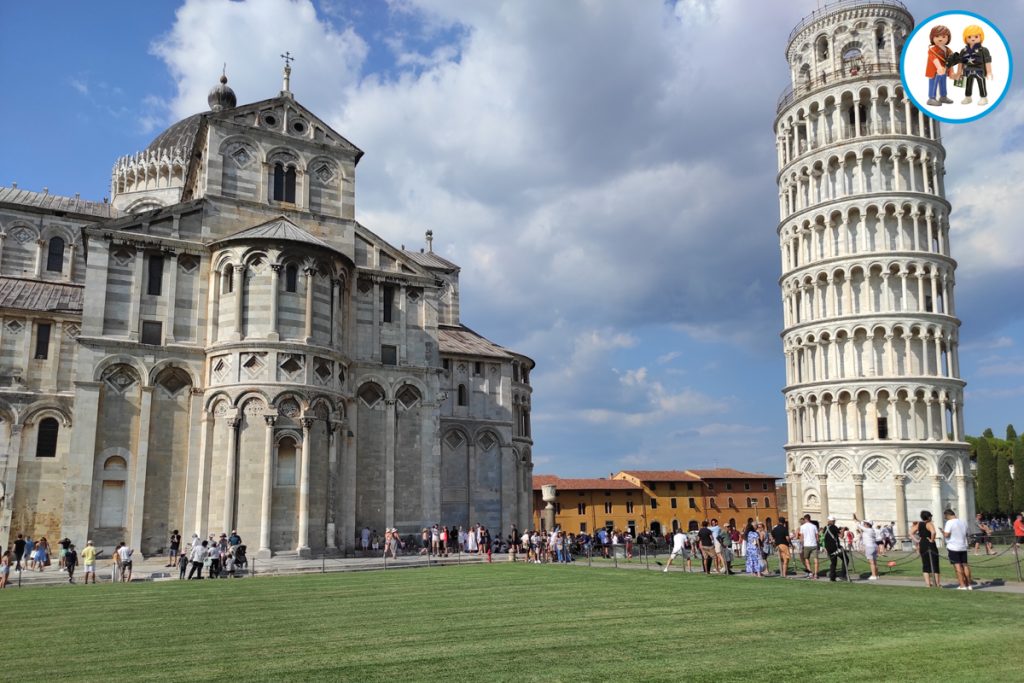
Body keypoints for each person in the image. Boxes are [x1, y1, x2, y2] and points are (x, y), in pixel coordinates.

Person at [949, 24, 993, 106]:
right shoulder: (964, 50)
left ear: (981, 37)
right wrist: (958, 73)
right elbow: (960, 62)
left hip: (979, 70)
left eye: (976, 36)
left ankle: (983, 97)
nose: (972, 39)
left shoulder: (983, 50)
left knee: (981, 83)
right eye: (969, 37)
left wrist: (989, 72)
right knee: (968, 84)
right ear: (965, 38)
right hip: (967, 70)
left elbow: (987, 61)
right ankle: (968, 97)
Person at [943, 509, 973, 590]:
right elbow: (967, 533)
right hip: (963, 546)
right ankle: (969, 584)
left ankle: (962, 585)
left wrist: (943, 532)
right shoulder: (963, 521)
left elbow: (946, 534)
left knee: (957, 567)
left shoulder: (949, 522)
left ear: (947, 515)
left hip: (953, 547)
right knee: (965, 565)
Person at [925, 24, 953, 106]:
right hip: (934, 71)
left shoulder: (948, 50)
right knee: (933, 83)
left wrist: (951, 71)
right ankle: (931, 98)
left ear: (948, 38)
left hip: (944, 70)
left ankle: (943, 96)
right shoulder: (933, 49)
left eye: (944, 36)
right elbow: (933, 58)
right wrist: (939, 67)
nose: (940, 39)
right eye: (937, 36)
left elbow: (951, 60)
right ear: (932, 38)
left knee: (943, 83)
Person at [912, 511, 941, 588]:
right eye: (930, 516)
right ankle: (937, 584)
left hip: (922, 543)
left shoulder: (919, 524)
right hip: (929, 544)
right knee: (935, 564)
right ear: (928, 517)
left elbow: (911, 533)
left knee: (925, 564)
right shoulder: (929, 524)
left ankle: (928, 584)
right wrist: (932, 539)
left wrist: (917, 540)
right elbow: (933, 532)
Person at [853, 515, 880, 581]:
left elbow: (859, 525)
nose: (864, 524)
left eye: (865, 523)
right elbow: (861, 524)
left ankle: (873, 575)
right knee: (874, 562)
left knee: (871, 562)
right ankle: (876, 575)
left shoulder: (868, 530)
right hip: (874, 546)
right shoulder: (871, 530)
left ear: (868, 524)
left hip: (869, 547)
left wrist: (855, 520)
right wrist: (857, 519)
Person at [822, 516, 846, 582]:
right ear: (832, 521)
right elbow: (841, 536)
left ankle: (832, 577)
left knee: (833, 562)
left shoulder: (825, 528)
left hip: (828, 548)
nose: (834, 522)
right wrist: (843, 530)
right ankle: (843, 575)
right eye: (834, 521)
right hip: (836, 548)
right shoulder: (834, 527)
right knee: (845, 559)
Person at [798, 515, 819, 579]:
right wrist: (817, 543)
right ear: (810, 519)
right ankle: (816, 574)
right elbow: (817, 536)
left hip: (806, 544)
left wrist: (801, 545)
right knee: (816, 559)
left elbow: (802, 537)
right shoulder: (814, 526)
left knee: (806, 559)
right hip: (814, 544)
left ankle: (810, 573)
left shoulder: (802, 527)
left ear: (805, 519)